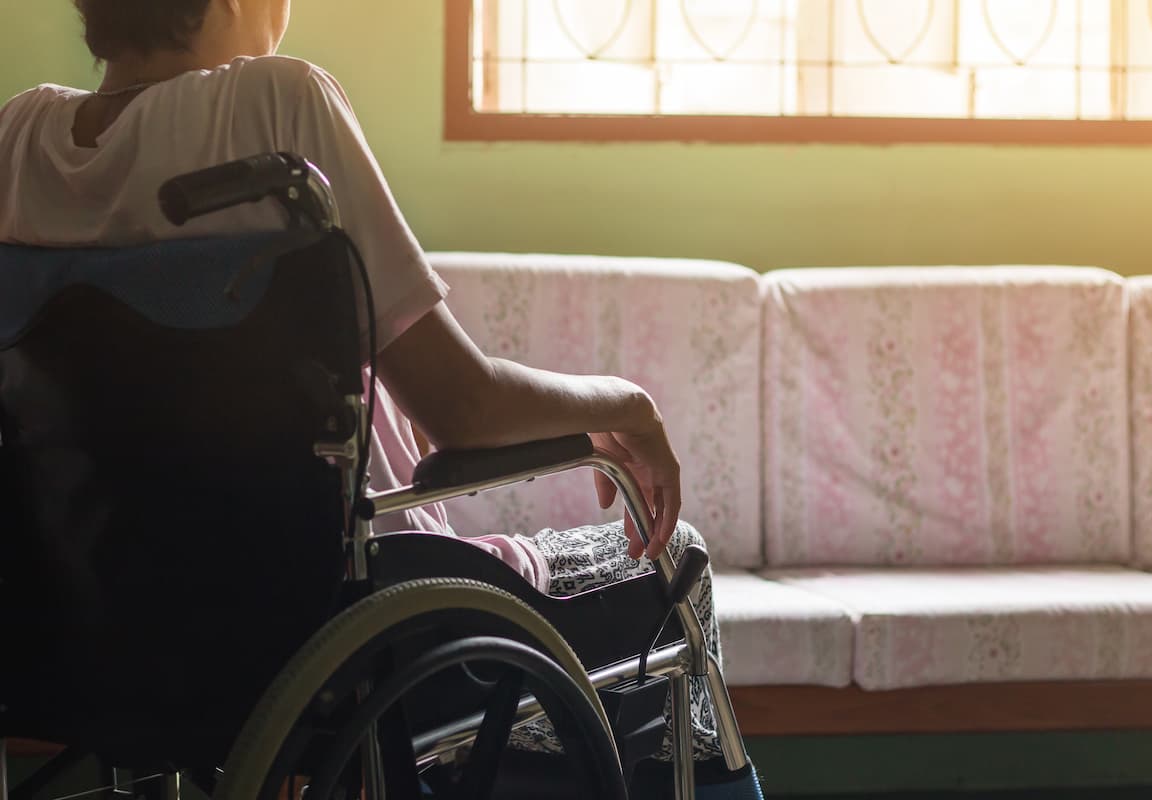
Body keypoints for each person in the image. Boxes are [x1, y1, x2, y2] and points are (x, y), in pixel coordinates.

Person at [0, 1, 763, 796]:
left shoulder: (16, 140)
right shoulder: (275, 102)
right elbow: (461, 407)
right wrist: (626, 403)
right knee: (680, 564)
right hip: (330, 634)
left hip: (95, 637)